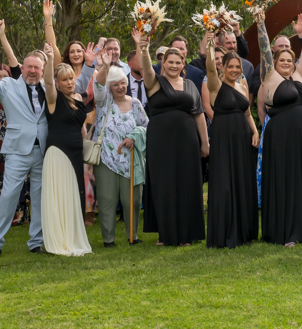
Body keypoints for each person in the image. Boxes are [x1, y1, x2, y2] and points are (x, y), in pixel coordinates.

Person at [0, 32, 49, 260]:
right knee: (8, 196)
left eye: (37, 67)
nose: (32, 71)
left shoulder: (49, 88)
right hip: (18, 150)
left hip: (43, 150)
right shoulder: (8, 85)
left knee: (39, 198)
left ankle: (36, 242)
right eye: (29, 67)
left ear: (43, 70)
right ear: (22, 68)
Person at [137, 24, 209, 246]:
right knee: (164, 182)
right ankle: (164, 232)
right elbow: (146, 69)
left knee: (187, 183)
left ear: (183, 64)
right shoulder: (154, 82)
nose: (174, 65)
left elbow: (199, 115)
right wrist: (144, 49)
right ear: (163, 63)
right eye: (170, 62)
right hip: (161, 140)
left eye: (178, 62)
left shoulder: (190, 85)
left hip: (187, 140)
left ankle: (186, 232)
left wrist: (205, 143)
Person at [255, 10, 302, 246]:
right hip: (280, 137)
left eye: (289, 60)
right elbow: (264, 48)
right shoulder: (269, 77)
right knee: (284, 180)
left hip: (300, 139)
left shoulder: (299, 75)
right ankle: (284, 232)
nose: (286, 63)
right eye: (281, 59)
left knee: (300, 179)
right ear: (274, 61)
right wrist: (260, 24)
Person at [38, 14, 93, 255]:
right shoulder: (53, 98)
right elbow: (48, 82)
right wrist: (50, 59)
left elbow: (81, 125)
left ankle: (73, 235)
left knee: (75, 194)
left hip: (76, 151)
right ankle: (59, 239)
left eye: (71, 78)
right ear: (58, 83)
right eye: (65, 80)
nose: (70, 82)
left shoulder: (79, 98)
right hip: (58, 151)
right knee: (60, 194)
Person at [202, 33, 259, 248]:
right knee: (225, 182)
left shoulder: (242, 85)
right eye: (230, 66)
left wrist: (255, 132)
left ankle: (245, 230)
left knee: (243, 180)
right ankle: (225, 231)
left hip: (243, 137)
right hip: (223, 137)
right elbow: (210, 68)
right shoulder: (215, 85)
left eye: (237, 67)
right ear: (223, 67)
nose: (234, 70)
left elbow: (247, 113)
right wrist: (210, 45)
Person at [92, 64, 148, 246]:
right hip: (106, 159)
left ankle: (133, 236)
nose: (120, 87)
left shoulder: (135, 103)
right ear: (110, 87)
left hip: (131, 160)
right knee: (107, 200)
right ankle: (108, 239)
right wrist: (105, 66)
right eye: (115, 84)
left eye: (123, 83)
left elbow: (146, 126)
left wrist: (134, 136)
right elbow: (98, 86)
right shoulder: (104, 102)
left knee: (132, 200)